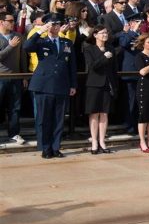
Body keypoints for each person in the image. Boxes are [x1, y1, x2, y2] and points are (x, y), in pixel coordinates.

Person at [23, 13, 77, 159]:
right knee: (44, 118)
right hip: (43, 85)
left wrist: (73, 85)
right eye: (52, 24)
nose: (55, 27)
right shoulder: (41, 41)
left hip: (61, 85)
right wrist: (40, 30)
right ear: (47, 25)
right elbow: (27, 47)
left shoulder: (67, 43)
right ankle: (45, 147)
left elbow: (72, 65)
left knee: (59, 119)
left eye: (57, 24)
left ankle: (56, 147)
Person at [83, 25, 118, 154]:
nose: (105, 35)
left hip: (107, 84)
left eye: (106, 32)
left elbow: (114, 69)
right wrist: (104, 57)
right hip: (94, 84)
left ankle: (102, 141)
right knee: (94, 113)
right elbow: (92, 66)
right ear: (95, 35)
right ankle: (94, 141)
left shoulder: (111, 48)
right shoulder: (89, 49)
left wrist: (114, 86)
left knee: (104, 113)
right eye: (102, 33)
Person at [0, 11, 25, 144]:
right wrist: (11, 46)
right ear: (1, 22)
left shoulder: (18, 35)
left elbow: (23, 58)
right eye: (9, 21)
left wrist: (24, 75)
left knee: (15, 107)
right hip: (1, 77)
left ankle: (14, 133)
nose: (12, 23)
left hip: (16, 77)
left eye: (13, 20)